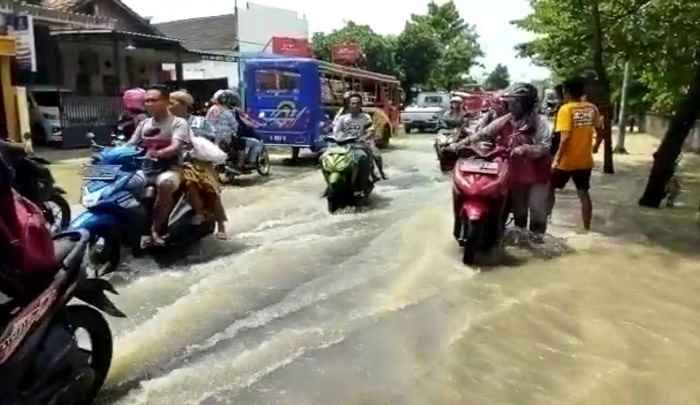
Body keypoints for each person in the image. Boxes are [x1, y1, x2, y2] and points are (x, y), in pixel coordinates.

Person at [453, 83, 552, 241]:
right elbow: (483, 133)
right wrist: (458, 144)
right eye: (510, 102)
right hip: (516, 174)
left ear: (525, 103)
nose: (510, 105)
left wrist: (526, 149)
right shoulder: (506, 120)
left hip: (538, 174)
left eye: (515, 102)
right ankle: (520, 241)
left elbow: (545, 146)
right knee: (519, 211)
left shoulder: (540, 123)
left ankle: (538, 244)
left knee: (537, 210)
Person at [128, 85, 191, 245]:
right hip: (145, 167)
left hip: (171, 167)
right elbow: (130, 145)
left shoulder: (178, 123)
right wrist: (106, 153)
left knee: (165, 184)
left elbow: (176, 146)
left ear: (166, 101)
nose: (148, 104)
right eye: (146, 101)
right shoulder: (144, 124)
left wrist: (161, 153)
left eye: (153, 100)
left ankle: (156, 229)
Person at [169, 90, 229, 240]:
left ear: (184, 105)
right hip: (172, 162)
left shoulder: (198, 122)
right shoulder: (166, 122)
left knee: (207, 186)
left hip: (198, 162)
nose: (168, 106)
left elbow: (207, 141)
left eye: (172, 102)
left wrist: (189, 146)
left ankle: (219, 224)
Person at [550, 77, 601, 232]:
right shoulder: (592, 108)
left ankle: (545, 221)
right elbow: (599, 130)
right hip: (585, 161)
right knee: (583, 194)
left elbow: (564, 139)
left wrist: (556, 161)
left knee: (548, 189)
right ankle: (587, 228)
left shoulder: (566, 109)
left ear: (565, 92)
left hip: (565, 162)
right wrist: (595, 146)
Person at [333, 93, 387, 181]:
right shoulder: (342, 117)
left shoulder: (365, 117)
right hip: (345, 144)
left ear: (361, 104)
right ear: (348, 104)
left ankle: (380, 172)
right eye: (352, 103)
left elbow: (371, 130)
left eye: (358, 103)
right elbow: (336, 131)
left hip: (362, 143)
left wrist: (364, 138)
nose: (355, 106)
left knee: (376, 155)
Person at [206, 90, 245, 172]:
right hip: (225, 138)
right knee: (242, 143)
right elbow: (235, 125)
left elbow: (207, 121)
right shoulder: (227, 111)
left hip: (212, 137)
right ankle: (239, 165)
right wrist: (235, 131)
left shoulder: (211, 109)